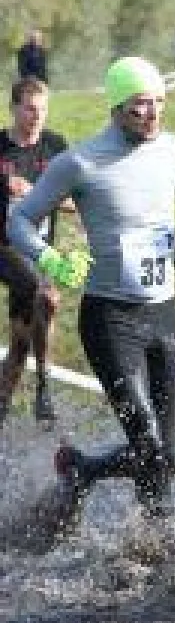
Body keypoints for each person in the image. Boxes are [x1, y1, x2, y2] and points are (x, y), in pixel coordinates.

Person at [8, 56, 175, 521]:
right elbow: (18, 219)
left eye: (159, 102)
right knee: (149, 443)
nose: (153, 113)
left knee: (170, 457)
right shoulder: (78, 161)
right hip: (110, 320)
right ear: (117, 108)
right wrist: (51, 259)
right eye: (140, 106)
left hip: (164, 314)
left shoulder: (174, 150)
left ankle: (83, 470)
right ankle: (154, 547)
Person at [0, 75, 72, 425]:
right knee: (40, 290)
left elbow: (76, 199)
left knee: (21, 341)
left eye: (42, 110)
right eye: (29, 109)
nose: (37, 116)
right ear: (14, 108)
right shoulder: (1, 147)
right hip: (5, 245)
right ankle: (44, 382)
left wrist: (41, 194)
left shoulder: (57, 146)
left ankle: (15, 398)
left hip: (42, 247)